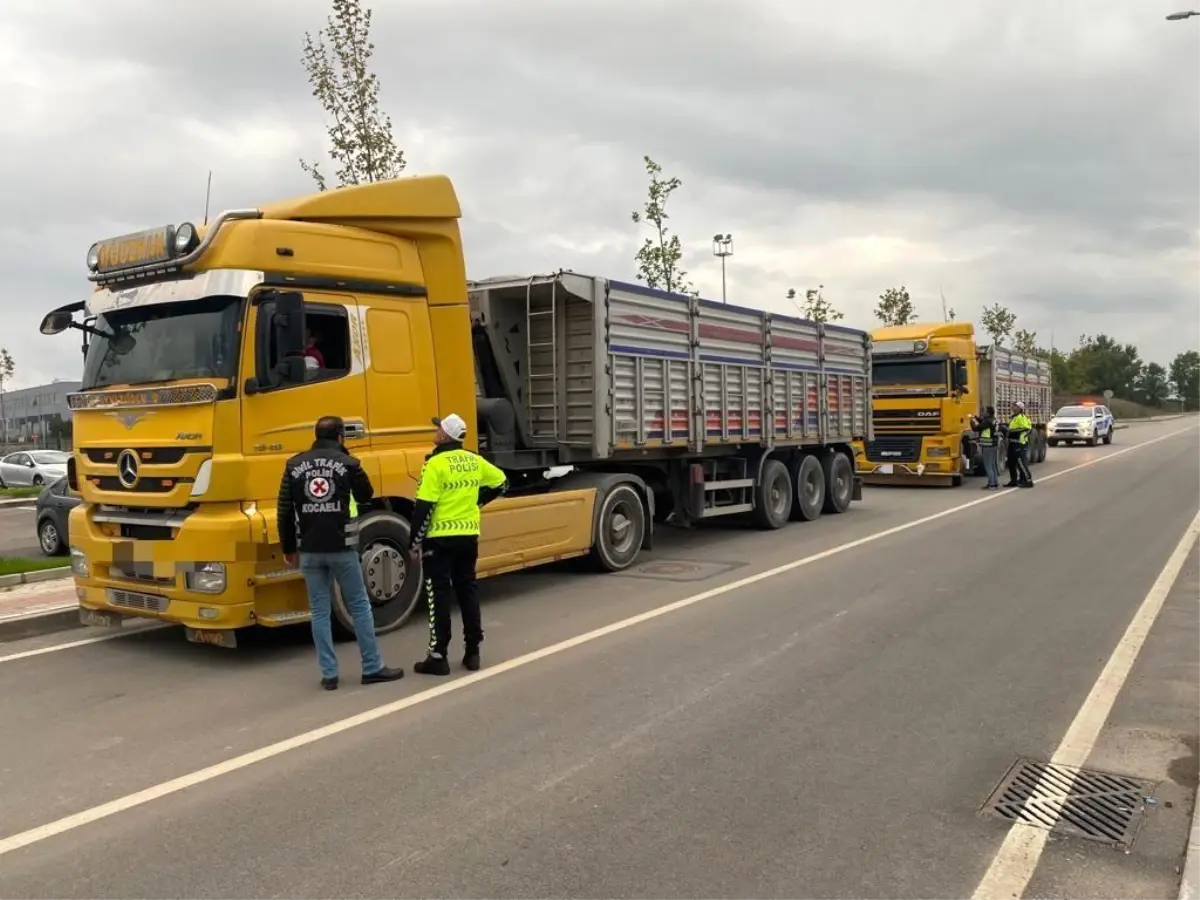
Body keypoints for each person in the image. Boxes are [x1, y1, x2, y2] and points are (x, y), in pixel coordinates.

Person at [278, 415, 405, 690]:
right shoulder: (348, 463)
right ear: (340, 437)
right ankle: (372, 668)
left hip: (309, 550)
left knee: (319, 611)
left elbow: (285, 510)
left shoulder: (294, 464)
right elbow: (365, 495)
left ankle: (329, 674)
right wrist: (347, 461)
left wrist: (288, 547)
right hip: (342, 548)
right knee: (359, 606)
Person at [408, 413, 508, 676]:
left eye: (438, 428)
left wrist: (414, 542)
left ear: (444, 435)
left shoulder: (435, 464)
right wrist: (478, 501)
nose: (435, 431)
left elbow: (424, 507)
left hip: (439, 541)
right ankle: (473, 652)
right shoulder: (474, 460)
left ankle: (438, 656)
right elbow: (501, 482)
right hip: (468, 536)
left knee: (438, 595)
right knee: (468, 591)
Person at [1005, 401, 1035, 489]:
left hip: (1019, 443)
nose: (1013, 408)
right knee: (1011, 462)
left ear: (1020, 409)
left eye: (1015, 406)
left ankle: (1028, 480)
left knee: (1021, 463)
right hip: (1012, 442)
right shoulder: (1013, 417)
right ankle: (1014, 480)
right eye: (1013, 406)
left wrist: (1013, 432)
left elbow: (1027, 428)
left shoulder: (1021, 417)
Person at [972, 405, 1001, 490]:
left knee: (988, 465)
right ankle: (995, 483)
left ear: (988, 413)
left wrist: (972, 422)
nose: (983, 412)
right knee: (993, 465)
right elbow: (983, 423)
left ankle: (991, 484)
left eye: (985, 411)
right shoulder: (993, 420)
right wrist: (977, 418)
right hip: (994, 444)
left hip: (987, 445)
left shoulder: (987, 422)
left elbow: (976, 428)